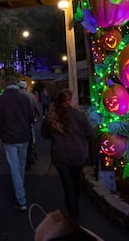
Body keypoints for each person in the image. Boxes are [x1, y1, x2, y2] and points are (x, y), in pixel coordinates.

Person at [40, 89, 93, 222]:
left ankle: (72, 211)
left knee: (67, 183)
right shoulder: (79, 115)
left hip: (60, 155)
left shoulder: (51, 116)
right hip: (78, 154)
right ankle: (74, 207)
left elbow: (44, 135)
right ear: (69, 101)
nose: (75, 101)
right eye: (74, 99)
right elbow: (90, 133)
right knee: (76, 181)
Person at [0, 76, 35, 211]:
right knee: (21, 165)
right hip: (24, 136)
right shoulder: (25, 98)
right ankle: (20, 188)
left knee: (14, 167)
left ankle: (21, 198)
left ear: (6, 85)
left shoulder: (1, 100)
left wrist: (2, 134)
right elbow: (31, 117)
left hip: (9, 137)